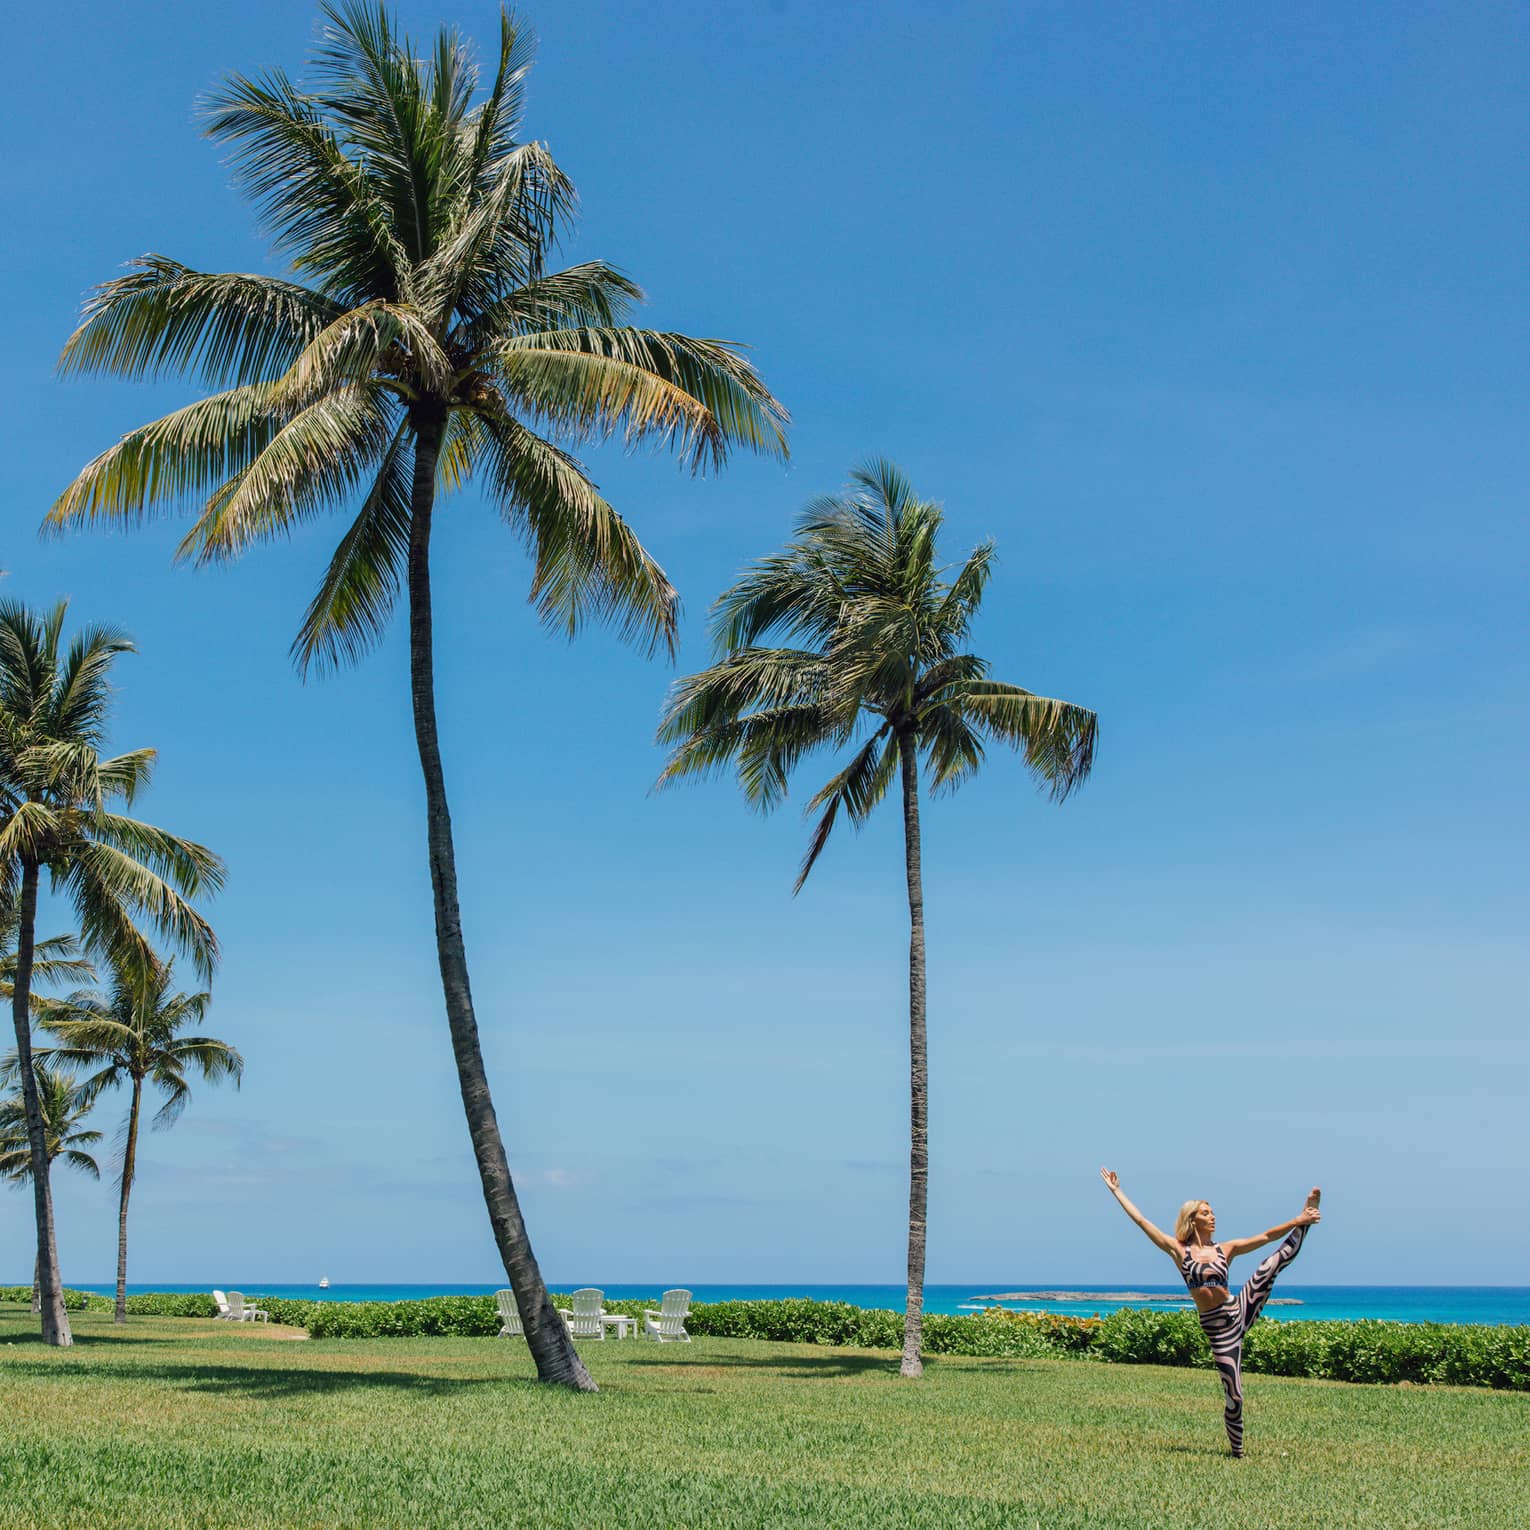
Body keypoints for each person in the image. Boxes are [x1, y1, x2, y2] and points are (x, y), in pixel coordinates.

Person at [1099, 1169, 1321, 1457]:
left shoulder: (1225, 1249)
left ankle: (1307, 1219)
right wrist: (1117, 1191)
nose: (1213, 1215)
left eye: (1212, 1211)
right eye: (1206, 1212)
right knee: (1234, 1394)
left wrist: (1297, 1220)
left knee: (1270, 1265)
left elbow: (1266, 1236)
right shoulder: (1179, 1250)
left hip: (1238, 1309)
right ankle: (1237, 1452)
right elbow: (1142, 1221)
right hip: (1219, 1329)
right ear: (1193, 1219)